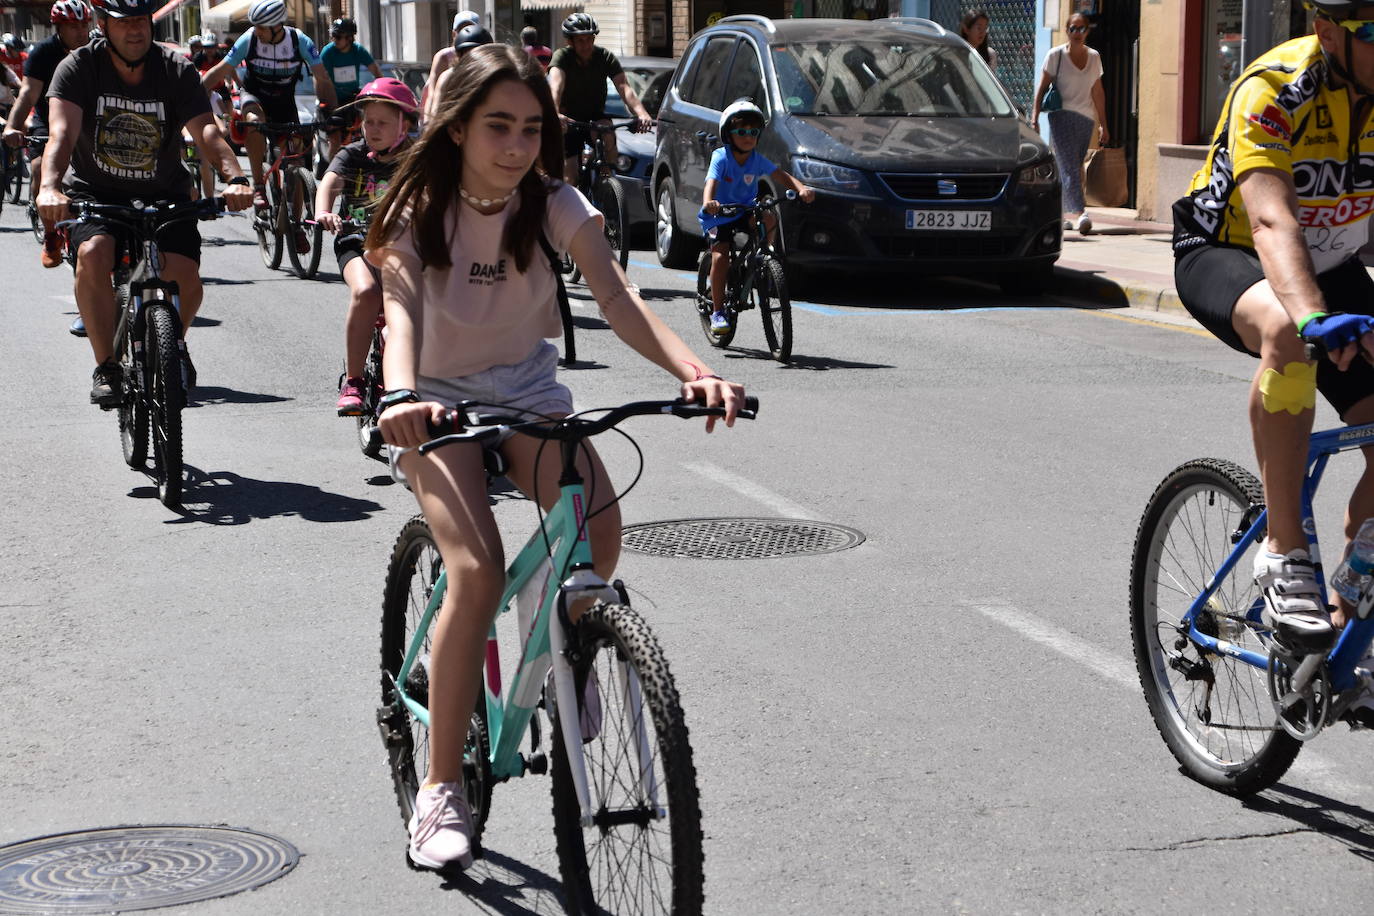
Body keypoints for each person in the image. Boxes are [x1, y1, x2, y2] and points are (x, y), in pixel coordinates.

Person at [365, 44, 744, 872]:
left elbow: (616, 295)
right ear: (457, 128)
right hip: (434, 398)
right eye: (497, 126)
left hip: (528, 392)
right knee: (474, 569)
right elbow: (398, 316)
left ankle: (567, 629)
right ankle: (438, 794)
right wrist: (400, 399)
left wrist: (696, 371)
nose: (515, 145)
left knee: (598, 537)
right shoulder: (417, 208)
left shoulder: (554, 203)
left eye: (531, 129)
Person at [1172, 0, 1374, 652]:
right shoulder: (1272, 87)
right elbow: (1271, 221)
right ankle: (1284, 551)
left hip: (1334, 261)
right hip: (1230, 251)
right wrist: (1311, 315)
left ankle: (1350, 611)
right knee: (1288, 333)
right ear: (1326, 33)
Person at [36, 0, 253, 406]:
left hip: (164, 191)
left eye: (140, 21)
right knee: (94, 254)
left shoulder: (175, 68)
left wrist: (235, 176)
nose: (134, 30)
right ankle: (107, 366)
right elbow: (61, 135)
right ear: (103, 25)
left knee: (185, 276)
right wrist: (50, 187)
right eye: (123, 23)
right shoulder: (78, 67)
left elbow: (205, 129)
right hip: (96, 193)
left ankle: (174, 343)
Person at [314, 77, 416, 415]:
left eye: (382, 122)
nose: (372, 128)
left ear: (404, 125)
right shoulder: (354, 154)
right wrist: (324, 212)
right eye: (368, 121)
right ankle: (354, 380)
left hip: (403, 247)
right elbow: (330, 182)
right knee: (366, 293)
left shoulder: (418, 158)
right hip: (355, 242)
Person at [200, 0, 336, 225]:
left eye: (261, 27)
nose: (257, 31)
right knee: (254, 121)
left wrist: (332, 110)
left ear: (276, 26)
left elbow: (322, 77)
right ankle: (259, 187)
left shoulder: (299, 41)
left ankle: (297, 224)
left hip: (284, 103)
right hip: (254, 96)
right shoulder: (250, 38)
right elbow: (221, 70)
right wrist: (198, 92)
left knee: (296, 162)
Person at [699, 99, 812, 334]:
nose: (748, 136)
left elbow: (781, 175)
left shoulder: (756, 159)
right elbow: (711, 183)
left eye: (753, 132)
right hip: (720, 214)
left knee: (769, 217)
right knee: (721, 258)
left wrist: (801, 188)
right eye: (741, 132)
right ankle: (718, 311)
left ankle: (761, 256)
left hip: (745, 209)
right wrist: (709, 203)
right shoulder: (721, 157)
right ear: (728, 135)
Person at [3, 1, 92, 268]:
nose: (80, 32)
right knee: (40, 168)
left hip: (89, 119)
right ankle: (51, 235)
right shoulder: (43, 53)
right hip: (49, 118)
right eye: (72, 27)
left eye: (83, 25)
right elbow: (29, 93)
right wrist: (12, 126)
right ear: (58, 28)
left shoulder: (96, 49)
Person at [548, 12, 652, 185]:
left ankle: (606, 183)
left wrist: (642, 114)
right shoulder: (562, 57)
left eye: (589, 39)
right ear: (570, 41)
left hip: (594, 116)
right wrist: (554, 113)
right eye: (580, 40)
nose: (586, 45)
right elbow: (556, 86)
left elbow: (623, 87)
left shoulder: (604, 57)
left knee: (608, 133)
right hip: (568, 120)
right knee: (570, 176)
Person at [1031, 12, 1107, 236]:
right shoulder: (1056, 55)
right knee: (1069, 165)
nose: (1076, 33)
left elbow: (1098, 92)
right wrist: (1035, 117)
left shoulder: (1094, 57)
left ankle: (1062, 213)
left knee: (1073, 165)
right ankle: (1081, 212)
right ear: (1066, 31)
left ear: (1087, 31)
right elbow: (1042, 88)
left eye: (1081, 28)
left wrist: (1104, 125)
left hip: (1085, 118)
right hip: (1061, 116)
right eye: (1072, 28)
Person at [320, 17, 381, 160]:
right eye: (333, 36)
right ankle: (331, 171)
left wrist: (382, 92)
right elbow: (321, 80)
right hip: (332, 100)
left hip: (352, 98)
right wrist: (326, 102)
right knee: (335, 140)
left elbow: (376, 72)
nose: (334, 39)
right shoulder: (328, 52)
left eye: (338, 36)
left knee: (368, 132)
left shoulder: (358, 50)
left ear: (349, 38)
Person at [422, 22, 492, 122]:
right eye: (468, 55)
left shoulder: (495, 78)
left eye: (479, 55)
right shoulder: (448, 77)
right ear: (460, 55)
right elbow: (436, 112)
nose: (474, 61)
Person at [420, 8, 479, 118]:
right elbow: (433, 93)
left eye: (470, 29)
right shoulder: (444, 58)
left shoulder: (483, 56)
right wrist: (429, 122)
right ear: (453, 34)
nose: (466, 34)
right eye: (461, 30)